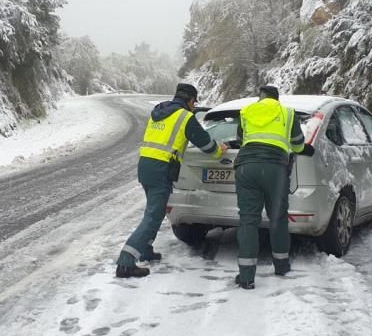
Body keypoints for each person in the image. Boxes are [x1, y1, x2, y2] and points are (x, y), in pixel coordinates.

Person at [116, 83, 227, 278]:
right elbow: (206, 143)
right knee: (153, 215)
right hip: (162, 168)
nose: (194, 106)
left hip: (145, 165)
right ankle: (126, 261)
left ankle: (145, 250)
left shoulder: (159, 111)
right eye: (194, 102)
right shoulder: (185, 117)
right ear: (191, 100)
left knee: (153, 211)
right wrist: (220, 151)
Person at [233, 85, 305, 289]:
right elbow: (298, 144)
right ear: (277, 99)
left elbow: (241, 139)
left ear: (260, 98)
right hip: (275, 169)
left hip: (246, 167)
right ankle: (281, 266)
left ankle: (246, 276)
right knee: (278, 217)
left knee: (248, 220)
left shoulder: (246, 111)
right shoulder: (287, 113)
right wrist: (299, 148)